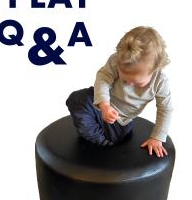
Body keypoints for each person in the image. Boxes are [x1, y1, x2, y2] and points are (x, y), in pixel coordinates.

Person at [66, 26, 173, 158]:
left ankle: (104, 142)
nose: (129, 85)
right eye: (125, 80)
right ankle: (95, 132)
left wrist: (157, 137)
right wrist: (104, 105)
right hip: (104, 104)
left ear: (156, 69)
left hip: (120, 120)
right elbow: (103, 78)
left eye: (137, 83)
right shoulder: (117, 60)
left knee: (115, 135)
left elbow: (166, 109)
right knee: (76, 99)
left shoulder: (160, 82)